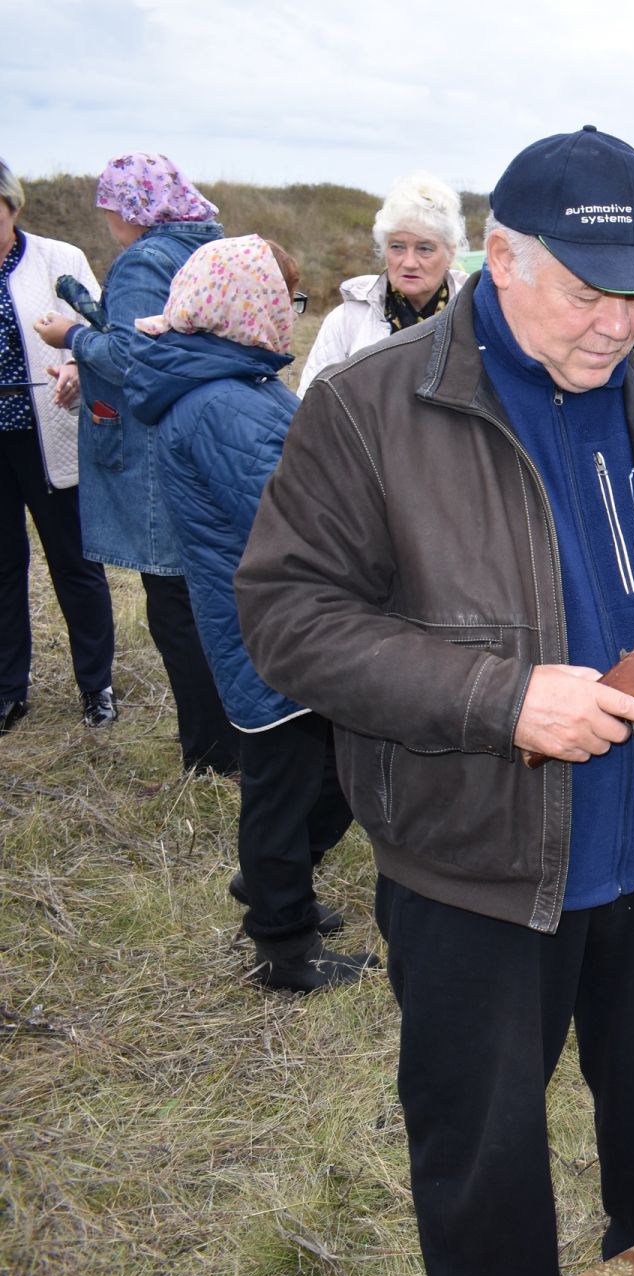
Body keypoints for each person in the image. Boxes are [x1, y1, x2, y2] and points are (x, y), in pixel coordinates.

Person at [233, 126, 634, 1275]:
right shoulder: (370, 408)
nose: (619, 325)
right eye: (588, 292)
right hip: (475, 866)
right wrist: (500, 696)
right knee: (485, 1172)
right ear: (501, 258)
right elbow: (288, 617)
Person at [125, 235, 372, 990]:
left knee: (325, 764)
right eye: (282, 302)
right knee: (287, 777)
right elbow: (296, 512)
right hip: (271, 625)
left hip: (274, 616)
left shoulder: (232, 382)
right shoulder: (223, 403)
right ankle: (282, 942)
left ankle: (274, 882)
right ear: (246, 308)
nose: (290, 319)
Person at [33, 153, 238, 774]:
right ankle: (230, 736)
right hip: (199, 432)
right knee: (201, 597)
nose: (107, 225)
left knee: (175, 602)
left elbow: (133, 360)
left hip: (155, 449)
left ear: (132, 207)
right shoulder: (203, 248)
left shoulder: (147, 258)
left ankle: (212, 749)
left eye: (110, 211)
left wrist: (70, 337)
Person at [0, 157, 116, 733]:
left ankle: (97, 685)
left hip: (50, 433)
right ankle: (8, 689)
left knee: (75, 564)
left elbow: (98, 328)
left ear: (12, 207)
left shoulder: (58, 259)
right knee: (2, 565)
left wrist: (73, 363)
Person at [297, 171, 469, 394]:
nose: (409, 262)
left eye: (424, 248)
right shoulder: (347, 321)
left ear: (450, 253)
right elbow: (311, 406)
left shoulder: (474, 320)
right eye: (397, 246)